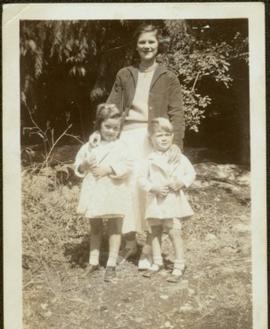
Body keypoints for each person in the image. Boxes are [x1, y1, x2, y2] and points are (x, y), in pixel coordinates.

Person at [90, 23, 185, 269]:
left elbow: (177, 114)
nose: (146, 46)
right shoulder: (125, 74)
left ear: (158, 45)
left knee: (149, 190)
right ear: (136, 45)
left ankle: (147, 248)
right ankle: (130, 242)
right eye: (142, 42)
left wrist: (176, 146)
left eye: (151, 42)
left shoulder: (168, 77)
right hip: (127, 137)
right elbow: (112, 107)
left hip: (153, 140)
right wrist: (98, 134)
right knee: (127, 188)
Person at [74, 103, 133, 282]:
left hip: (114, 189)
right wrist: (84, 165)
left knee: (115, 225)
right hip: (95, 191)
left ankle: (111, 264)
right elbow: (78, 164)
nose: (111, 131)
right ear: (99, 125)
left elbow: (128, 164)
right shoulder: (90, 145)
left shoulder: (122, 145)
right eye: (107, 126)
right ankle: (93, 261)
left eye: (115, 128)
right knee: (96, 226)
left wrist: (109, 169)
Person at [139, 118, 195, 282]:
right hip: (156, 201)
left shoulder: (179, 157)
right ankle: (157, 262)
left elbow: (191, 173)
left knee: (174, 232)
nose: (164, 138)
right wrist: (153, 187)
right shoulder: (149, 159)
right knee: (154, 232)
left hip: (172, 200)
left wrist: (182, 182)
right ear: (151, 139)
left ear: (172, 136)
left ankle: (179, 264)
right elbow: (141, 179)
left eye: (167, 134)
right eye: (159, 135)